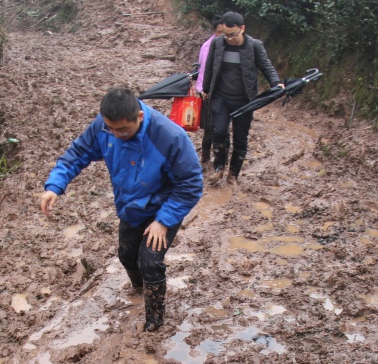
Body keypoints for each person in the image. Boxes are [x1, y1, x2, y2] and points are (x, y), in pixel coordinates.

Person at [40, 88, 203, 332]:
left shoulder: (169, 136)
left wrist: (163, 221)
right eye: (111, 129)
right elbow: (78, 153)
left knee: (150, 261)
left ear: (139, 116)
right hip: (130, 204)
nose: (115, 135)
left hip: (163, 206)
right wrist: (55, 186)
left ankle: (154, 322)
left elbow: (191, 184)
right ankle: (139, 290)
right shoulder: (104, 126)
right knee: (126, 255)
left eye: (123, 130)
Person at [201, 11, 284, 186]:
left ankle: (233, 174)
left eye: (233, 35)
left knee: (240, 137)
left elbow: (266, 66)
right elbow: (209, 66)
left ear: (242, 28)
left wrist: (276, 83)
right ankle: (219, 168)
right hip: (221, 97)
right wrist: (206, 89)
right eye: (226, 35)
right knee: (219, 132)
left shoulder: (254, 46)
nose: (229, 38)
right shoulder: (217, 43)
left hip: (244, 100)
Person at [194, 15, 224, 165]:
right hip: (209, 92)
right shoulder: (208, 46)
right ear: (215, 31)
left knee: (221, 127)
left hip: (224, 93)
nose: (222, 35)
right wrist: (205, 90)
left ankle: (218, 159)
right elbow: (204, 69)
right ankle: (206, 156)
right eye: (219, 32)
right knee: (210, 127)